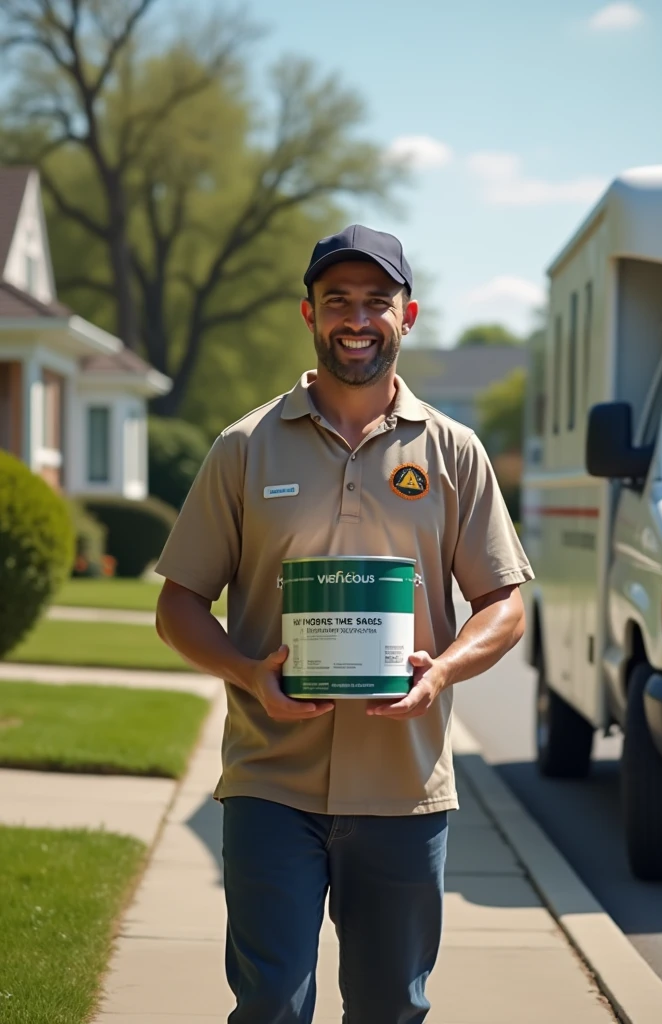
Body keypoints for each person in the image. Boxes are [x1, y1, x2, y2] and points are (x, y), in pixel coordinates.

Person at [155, 224, 535, 1024]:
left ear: (409, 314)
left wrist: (442, 670)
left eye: (376, 301)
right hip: (270, 781)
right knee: (269, 1007)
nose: (356, 319)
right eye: (338, 302)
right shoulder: (244, 448)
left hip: (405, 787)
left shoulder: (455, 452)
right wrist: (246, 671)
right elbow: (179, 603)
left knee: (391, 1007)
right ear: (309, 314)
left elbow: (504, 603)